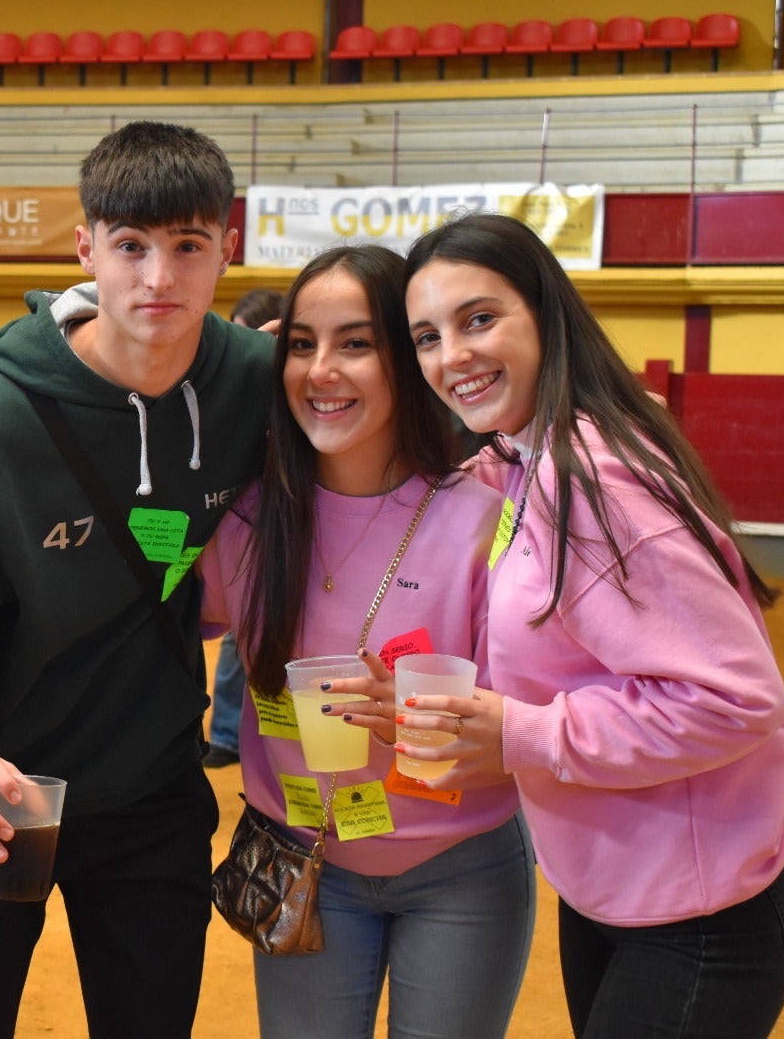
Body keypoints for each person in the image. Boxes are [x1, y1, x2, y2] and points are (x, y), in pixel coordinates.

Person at [0, 120, 273, 1038]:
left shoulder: (258, 384)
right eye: (130, 247)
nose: (158, 278)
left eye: (188, 247)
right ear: (86, 248)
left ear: (226, 250)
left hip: (153, 792)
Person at [402, 213, 784, 1038]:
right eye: (426, 337)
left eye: (480, 319)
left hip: (701, 916)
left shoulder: (589, 485)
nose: (453, 357)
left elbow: (732, 700)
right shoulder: (527, 457)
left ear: (546, 315)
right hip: (618, 886)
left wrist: (525, 733)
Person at [198, 247, 533, 1038]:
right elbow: (146, 627)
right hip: (304, 862)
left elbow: (540, 702)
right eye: (303, 345)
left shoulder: (486, 515)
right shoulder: (246, 518)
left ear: (409, 358)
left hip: (462, 868)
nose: (322, 370)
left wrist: (432, 714)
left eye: (355, 343)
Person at [204, 285, 284, 768]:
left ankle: (241, 739)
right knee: (238, 637)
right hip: (240, 529)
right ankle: (228, 737)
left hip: (283, 523)